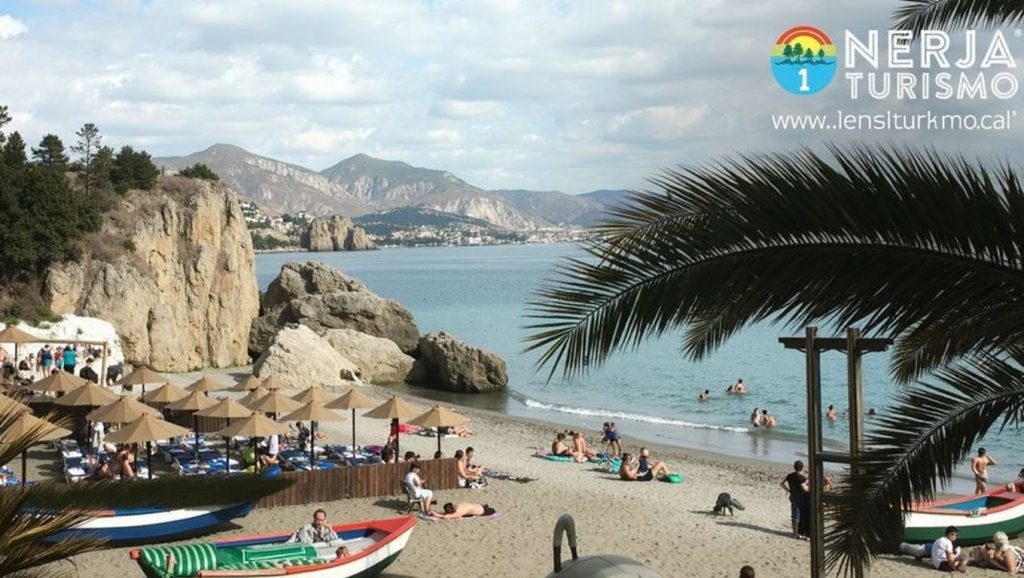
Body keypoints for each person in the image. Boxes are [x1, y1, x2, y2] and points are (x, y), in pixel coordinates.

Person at [781, 460, 809, 539]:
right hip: (800, 497)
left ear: (794, 467)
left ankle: (795, 533)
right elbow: (804, 488)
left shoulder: (790, 476)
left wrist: (788, 490)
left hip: (793, 496)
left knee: (794, 514)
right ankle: (797, 533)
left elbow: (782, 484)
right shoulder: (801, 478)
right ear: (802, 468)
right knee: (800, 514)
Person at [430, 501, 496, 520]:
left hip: (484, 511)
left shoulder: (459, 510)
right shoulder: (457, 505)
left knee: (493, 510)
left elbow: (447, 517)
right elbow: (447, 514)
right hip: (480, 506)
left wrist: (437, 515)